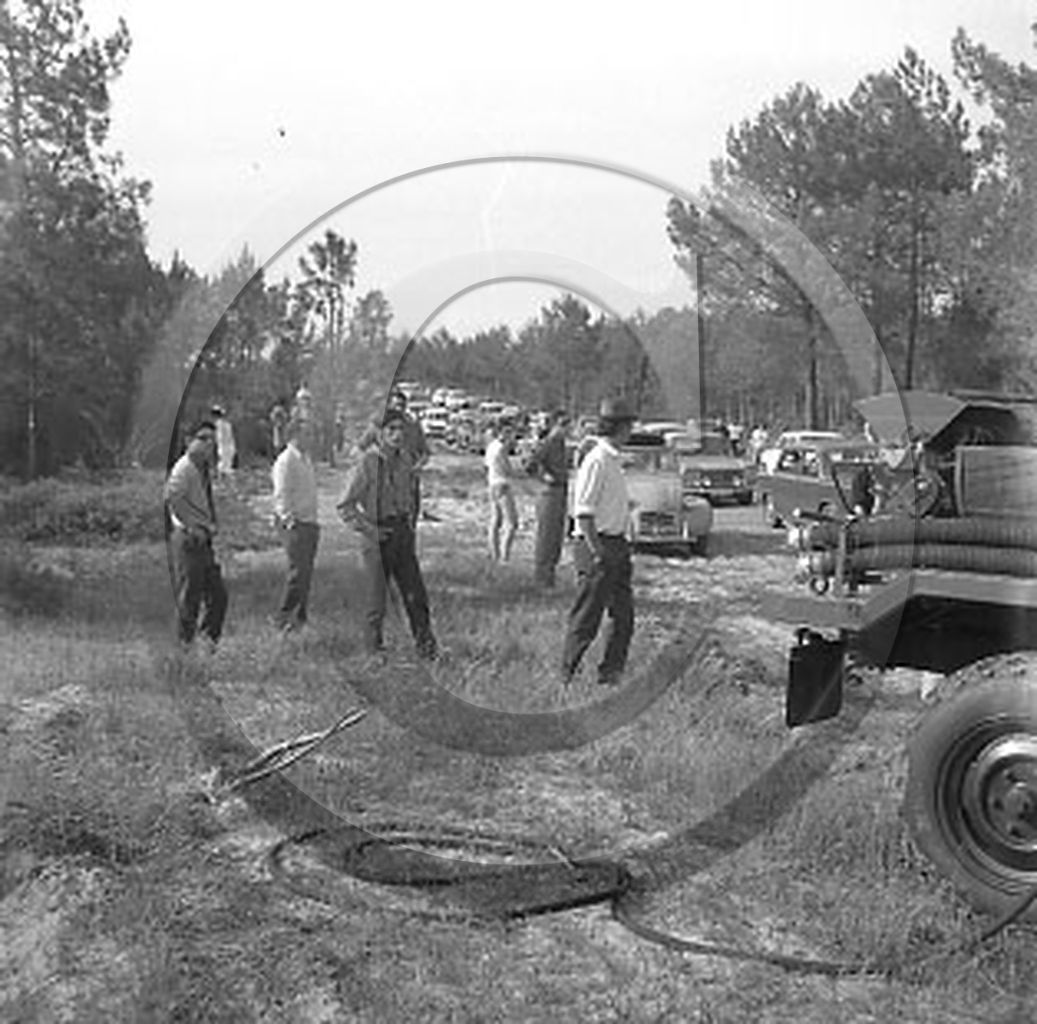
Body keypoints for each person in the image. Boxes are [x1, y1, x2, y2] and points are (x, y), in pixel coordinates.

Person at [336, 407, 438, 659]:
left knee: (416, 596)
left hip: (402, 534)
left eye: (401, 429)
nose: (397, 435)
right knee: (376, 600)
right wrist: (369, 529)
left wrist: (410, 524)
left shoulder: (405, 461)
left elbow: (411, 496)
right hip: (377, 535)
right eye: (391, 429)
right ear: (379, 433)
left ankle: (427, 649)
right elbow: (345, 505)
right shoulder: (367, 463)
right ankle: (373, 651)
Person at [560, 396, 637, 688]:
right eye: (628, 425)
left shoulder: (613, 461)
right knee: (586, 617)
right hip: (597, 546)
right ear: (617, 428)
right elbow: (583, 512)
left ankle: (610, 674)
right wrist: (598, 551)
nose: (630, 432)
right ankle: (567, 674)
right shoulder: (597, 460)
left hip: (616, 544)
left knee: (624, 618)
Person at [165, 419, 229, 647]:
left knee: (218, 596)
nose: (208, 444)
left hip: (204, 540)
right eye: (202, 439)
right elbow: (172, 497)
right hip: (189, 540)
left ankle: (207, 644)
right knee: (189, 597)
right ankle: (183, 649)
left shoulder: (201, 469)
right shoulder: (184, 467)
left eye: (212, 440)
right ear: (188, 441)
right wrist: (191, 525)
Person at [271, 414, 320, 632]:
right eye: (306, 433)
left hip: (310, 522)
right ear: (294, 435)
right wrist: (289, 520)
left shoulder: (305, 458)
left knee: (306, 574)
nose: (311, 437)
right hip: (295, 524)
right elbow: (281, 494)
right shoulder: (286, 461)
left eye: (311, 433)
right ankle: (283, 620)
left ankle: (299, 620)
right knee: (297, 573)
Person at [358, 389, 431, 522]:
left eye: (402, 406)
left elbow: (425, 452)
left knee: (409, 521)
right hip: (384, 481)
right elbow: (360, 447)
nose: (399, 409)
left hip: (408, 479)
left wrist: (418, 466)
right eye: (395, 405)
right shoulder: (377, 426)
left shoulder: (413, 426)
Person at [527, 409, 570, 587]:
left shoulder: (561, 443)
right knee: (547, 535)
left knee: (556, 536)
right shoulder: (549, 442)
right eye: (563, 424)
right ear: (555, 425)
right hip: (549, 492)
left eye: (568, 425)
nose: (566, 429)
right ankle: (541, 579)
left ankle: (550, 577)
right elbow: (531, 464)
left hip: (561, 490)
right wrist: (543, 476)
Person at [483, 420, 518, 562]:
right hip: (503, 484)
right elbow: (507, 469)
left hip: (492, 484)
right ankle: (504, 556)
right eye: (508, 432)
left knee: (495, 520)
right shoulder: (501, 448)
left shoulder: (491, 447)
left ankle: (494, 552)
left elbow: (486, 466)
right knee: (512, 523)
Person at [212, 405, 236, 478]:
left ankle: (222, 476)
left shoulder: (223, 424)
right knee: (224, 463)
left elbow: (222, 437)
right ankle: (222, 476)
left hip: (226, 446)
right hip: (225, 446)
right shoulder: (224, 424)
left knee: (225, 463)